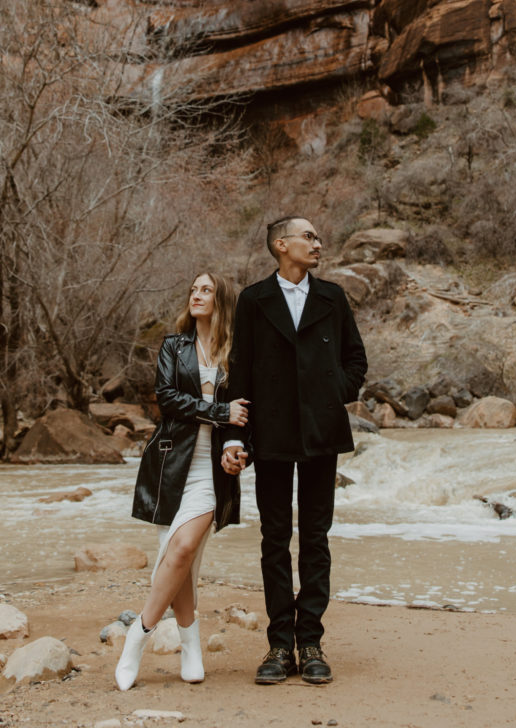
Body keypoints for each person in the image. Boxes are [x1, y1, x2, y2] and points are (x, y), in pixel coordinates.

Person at [222, 216, 367, 686]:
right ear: (280, 245)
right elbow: (240, 369)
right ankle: (279, 646)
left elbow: (355, 359)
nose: (317, 243)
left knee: (316, 538)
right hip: (273, 432)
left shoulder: (332, 297)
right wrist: (235, 437)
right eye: (308, 237)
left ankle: (311, 641)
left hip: (322, 431)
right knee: (275, 538)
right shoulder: (253, 300)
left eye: (318, 237)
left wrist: (332, 393)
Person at [115, 272, 249, 691]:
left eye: (206, 290)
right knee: (179, 563)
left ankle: (136, 636)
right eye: (193, 289)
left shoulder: (237, 355)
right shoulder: (175, 345)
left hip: (211, 471)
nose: (196, 295)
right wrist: (218, 413)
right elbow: (167, 399)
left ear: (222, 299)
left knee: (185, 547)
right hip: (171, 466)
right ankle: (191, 644)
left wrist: (237, 448)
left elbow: (246, 414)